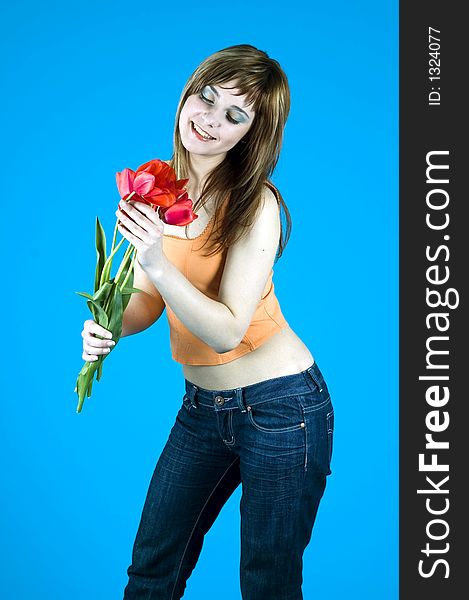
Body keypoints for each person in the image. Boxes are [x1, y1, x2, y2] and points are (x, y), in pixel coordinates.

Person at [80, 44, 334, 600]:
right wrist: (110, 323)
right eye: (206, 97)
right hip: (202, 410)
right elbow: (147, 301)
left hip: (282, 408)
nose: (209, 120)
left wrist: (154, 258)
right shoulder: (161, 183)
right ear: (188, 94)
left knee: (267, 582)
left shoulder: (255, 204)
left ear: (251, 133)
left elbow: (226, 331)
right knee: (152, 568)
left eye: (233, 116)